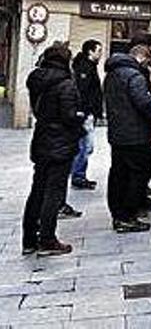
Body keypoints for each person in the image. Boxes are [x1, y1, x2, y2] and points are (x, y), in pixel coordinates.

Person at [23, 44, 84, 256]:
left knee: (37, 189)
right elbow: (68, 115)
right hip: (60, 142)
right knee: (54, 191)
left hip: (41, 139)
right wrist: (79, 118)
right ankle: (47, 240)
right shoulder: (65, 84)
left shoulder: (36, 79)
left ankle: (29, 239)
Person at [104, 43, 151, 233]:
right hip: (135, 134)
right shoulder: (134, 76)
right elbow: (143, 103)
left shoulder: (111, 74)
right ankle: (128, 216)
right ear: (142, 57)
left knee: (118, 174)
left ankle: (117, 214)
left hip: (117, 133)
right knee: (137, 174)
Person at [70, 39, 103, 190]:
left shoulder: (89, 66)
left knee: (85, 146)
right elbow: (83, 91)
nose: (100, 54)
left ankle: (79, 174)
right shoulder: (84, 67)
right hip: (85, 114)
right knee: (85, 146)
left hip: (89, 113)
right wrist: (85, 111)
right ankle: (78, 176)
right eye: (98, 50)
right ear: (90, 51)